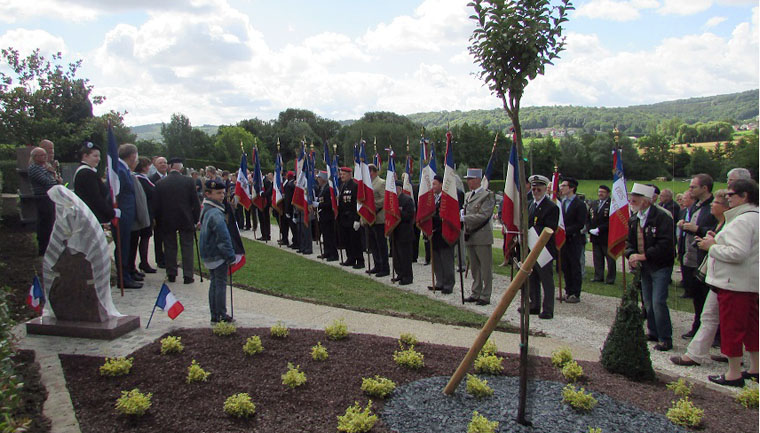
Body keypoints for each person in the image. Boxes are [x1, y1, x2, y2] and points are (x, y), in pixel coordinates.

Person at [698, 179, 759, 387]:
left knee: (732, 328)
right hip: (748, 282)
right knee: (751, 326)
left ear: (744, 196)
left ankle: (733, 373)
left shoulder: (742, 221)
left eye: (732, 195)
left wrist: (711, 247)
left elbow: (738, 253)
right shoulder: (754, 218)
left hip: (733, 283)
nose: (727, 198)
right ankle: (755, 368)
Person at [670, 189, 729, 367]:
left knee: (726, 318)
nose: (712, 205)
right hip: (715, 275)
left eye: (716, 203)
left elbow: (737, 252)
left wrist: (711, 246)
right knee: (709, 316)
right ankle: (698, 354)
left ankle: (733, 358)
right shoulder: (721, 222)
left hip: (727, 278)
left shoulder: (735, 223)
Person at [625, 183, 675, 351]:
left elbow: (665, 244)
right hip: (644, 266)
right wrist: (631, 254)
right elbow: (629, 242)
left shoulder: (662, 217)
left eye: (636, 198)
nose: (632, 200)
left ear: (646, 201)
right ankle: (653, 331)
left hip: (660, 265)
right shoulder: (634, 218)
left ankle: (665, 338)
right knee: (647, 301)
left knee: (658, 301)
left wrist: (644, 255)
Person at [680, 174, 718, 339]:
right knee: (696, 295)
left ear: (705, 188)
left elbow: (717, 229)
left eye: (693, 187)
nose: (690, 190)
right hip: (691, 254)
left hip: (705, 258)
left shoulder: (713, 207)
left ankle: (713, 333)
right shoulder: (694, 205)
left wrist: (698, 229)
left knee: (705, 297)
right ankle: (697, 327)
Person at [154, 158, 201, 284]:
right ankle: (188, 275)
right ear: (181, 168)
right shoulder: (189, 181)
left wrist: (158, 220)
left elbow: (157, 205)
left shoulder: (160, 183)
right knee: (187, 247)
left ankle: (171, 273)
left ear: (170, 167)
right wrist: (196, 219)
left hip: (167, 220)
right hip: (185, 218)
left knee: (170, 246)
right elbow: (195, 203)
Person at [199, 179, 236, 324]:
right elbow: (223, 237)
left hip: (209, 252)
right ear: (208, 194)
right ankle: (221, 314)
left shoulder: (207, 209)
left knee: (214, 283)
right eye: (218, 193)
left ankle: (214, 314)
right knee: (220, 284)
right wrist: (230, 256)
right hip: (217, 253)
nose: (222, 196)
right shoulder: (215, 213)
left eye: (223, 193)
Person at [526, 175, 559, 319]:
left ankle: (548, 309)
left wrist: (533, 232)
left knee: (546, 279)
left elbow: (550, 227)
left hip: (544, 248)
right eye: (533, 188)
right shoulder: (530, 204)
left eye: (539, 188)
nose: (536, 190)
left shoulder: (551, 207)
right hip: (530, 246)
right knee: (532, 277)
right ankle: (534, 305)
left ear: (545, 189)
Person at [462, 168, 495, 306]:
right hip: (470, 234)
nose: (468, 181)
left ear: (477, 180)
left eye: (470, 179)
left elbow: (484, 215)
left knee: (485, 267)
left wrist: (465, 218)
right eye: (468, 179)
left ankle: (486, 295)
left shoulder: (487, 195)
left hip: (482, 234)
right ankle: (476, 292)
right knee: (475, 267)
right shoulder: (468, 195)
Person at [113, 143, 142, 289]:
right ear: (132, 156)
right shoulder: (120, 170)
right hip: (122, 215)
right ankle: (123, 278)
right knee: (123, 246)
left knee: (126, 245)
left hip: (126, 214)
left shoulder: (123, 168)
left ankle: (127, 274)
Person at [28, 144, 61, 256]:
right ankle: (43, 249)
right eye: (42, 155)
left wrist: (54, 176)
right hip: (42, 198)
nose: (45, 157)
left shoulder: (44, 167)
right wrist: (53, 176)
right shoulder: (34, 168)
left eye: (45, 155)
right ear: (35, 157)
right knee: (45, 224)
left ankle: (49, 247)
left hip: (49, 198)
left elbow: (54, 180)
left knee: (50, 223)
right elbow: (48, 182)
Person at [559, 177, 587, 303]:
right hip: (563, 240)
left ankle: (575, 293)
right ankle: (568, 290)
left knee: (574, 266)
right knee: (565, 266)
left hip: (574, 239)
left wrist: (566, 231)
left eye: (564, 185)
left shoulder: (579, 204)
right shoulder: (561, 202)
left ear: (571, 188)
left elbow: (580, 223)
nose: (561, 187)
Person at [73, 142, 115, 225]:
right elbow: (95, 197)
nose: (98, 159)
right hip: (91, 217)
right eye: (95, 156)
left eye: (99, 156)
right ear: (85, 156)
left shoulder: (86, 171)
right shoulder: (87, 173)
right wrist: (111, 213)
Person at [131, 157, 157, 273]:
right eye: (147, 165)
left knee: (144, 238)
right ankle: (143, 263)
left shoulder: (142, 178)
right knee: (142, 238)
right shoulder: (139, 178)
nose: (149, 168)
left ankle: (143, 262)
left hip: (147, 211)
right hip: (144, 212)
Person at [430, 175, 455, 294]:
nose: (432, 186)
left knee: (446, 260)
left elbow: (444, 216)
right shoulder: (433, 198)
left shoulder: (446, 198)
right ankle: (439, 281)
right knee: (437, 260)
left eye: (434, 184)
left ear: (441, 184)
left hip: (443, 233)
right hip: (434, 234)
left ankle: (448, 283)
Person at [338, 167, 364, 268]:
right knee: (347, 240)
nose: (341, 176)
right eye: (341, 174)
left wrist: (357, 219)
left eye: (343, 174)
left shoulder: (355, 186)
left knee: (355, 241)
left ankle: (360, 261)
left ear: (350, 174)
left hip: (352, 217)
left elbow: (358, 204)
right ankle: (350, 258)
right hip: (344, 218)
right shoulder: (342, 186)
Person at [588, 185, 615, 284]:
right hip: (595, 236)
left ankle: (610, 278)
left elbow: (612, 221)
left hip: (606, 235)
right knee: (597, 257)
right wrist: (589, 228)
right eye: (599, 192)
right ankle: (598, 276)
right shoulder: (594, 203)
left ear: (608, 193)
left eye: (603, 192)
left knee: (610, 258)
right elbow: (589, 217)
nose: (600, 194)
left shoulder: (612, 204)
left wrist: (600, 229)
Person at [367, 164, 390, 277]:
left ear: (374, 172)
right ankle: (377, 265)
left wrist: (372, 205)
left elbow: (384, 199)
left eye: (370, 172)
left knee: (381, 244)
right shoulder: (367, 184)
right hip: (369, 218)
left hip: (379, 217)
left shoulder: (381, 182)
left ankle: (385, 267)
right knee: (373, 244)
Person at [392, 180, 416, 285]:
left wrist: (398, 211)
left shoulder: (407, 200)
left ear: (399, 189)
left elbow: (409, 216)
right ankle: (400, 274)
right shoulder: (392, 200)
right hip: (394, 231)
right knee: (396, 256)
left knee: (405, 256)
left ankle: (407, 277)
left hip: (404, 232)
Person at [150, 156, 169, 269]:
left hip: (170, 214)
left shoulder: (171, 178)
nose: (163, 165)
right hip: (159, 214)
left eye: (165, 163)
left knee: (170, 239)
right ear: (156, 165)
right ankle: (160, 260)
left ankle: (169, 258)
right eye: (160, 163)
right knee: (158, 239)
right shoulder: (152, 179)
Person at [316, 172, 339, 261]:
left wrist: (318, 205)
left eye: (319, 178)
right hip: (323, 215)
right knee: (325, 236)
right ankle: (327, 252)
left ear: (323, 179)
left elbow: (330, 204)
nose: (318, 180)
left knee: (330, 236)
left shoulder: (328, 189)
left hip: (328, 215)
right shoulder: (322, 188)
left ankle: (333, 254)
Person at [257, 173, 273, 240]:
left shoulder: (266, 182)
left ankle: (267, 235)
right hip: (260, 202)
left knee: (265, 219)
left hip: (265, 203)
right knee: (261, 219)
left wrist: (264, 195)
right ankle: (263, 234)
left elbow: (269, 192)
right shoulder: (258, 181)